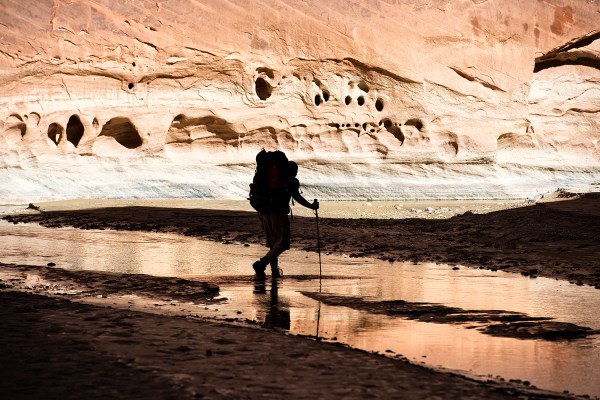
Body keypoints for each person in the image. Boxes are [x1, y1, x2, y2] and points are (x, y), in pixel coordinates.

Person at [251, 152, 319, 279]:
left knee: (273, 244)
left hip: (264, 212)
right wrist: (312, 206)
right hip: (278, 213)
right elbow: (297, 197)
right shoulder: (289, 180)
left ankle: (274, 271)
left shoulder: (267, 176)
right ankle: (261, 264)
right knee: (282, 244)